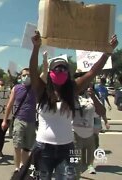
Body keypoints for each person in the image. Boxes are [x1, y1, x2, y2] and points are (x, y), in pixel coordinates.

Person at [29, 31, 118, 180]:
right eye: (56, 68)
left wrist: (108, 52)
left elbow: (92, 72)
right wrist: (36, 48)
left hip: (69, 148)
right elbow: (32, 71)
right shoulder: (41, 90)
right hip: (43, 148)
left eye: (64, 68)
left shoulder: (72, 90)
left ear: (68, 73)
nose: (60, 70)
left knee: (70, 178)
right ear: (50, 72)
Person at [2, 68, 37, 173]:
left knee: (27, 148)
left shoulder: (35, 88)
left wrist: (45, 62)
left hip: (31, 121)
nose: (27, 77)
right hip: (19, 120)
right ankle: (17, 168)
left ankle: (23, 166)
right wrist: (4, 120)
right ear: (20, 77)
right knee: (17, 145)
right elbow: (9, 105)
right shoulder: (16, 88)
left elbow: (44, 75)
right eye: (24, 75)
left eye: (29, 75)